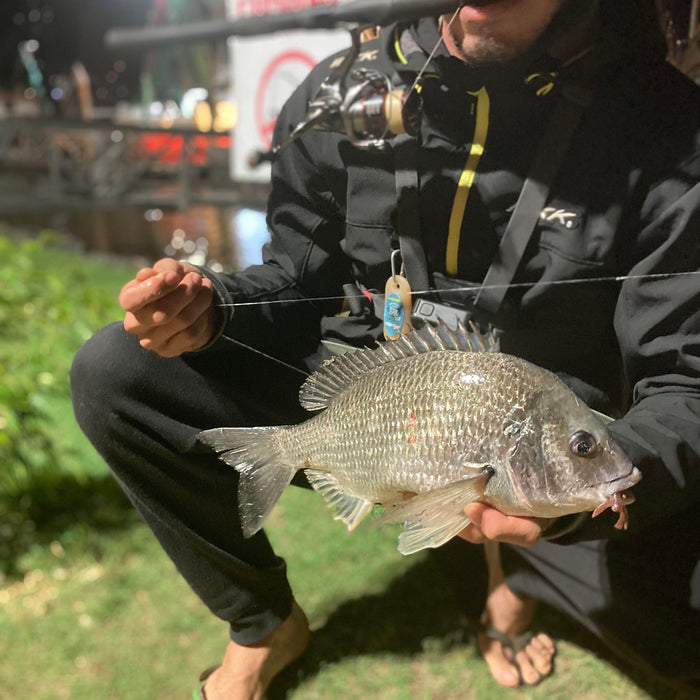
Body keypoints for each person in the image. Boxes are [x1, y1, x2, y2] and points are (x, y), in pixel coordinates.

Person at [70, 0, 700, 697]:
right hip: (369, 407)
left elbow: (686, 383)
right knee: (118, 372)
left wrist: (603, 487)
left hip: (553, 433)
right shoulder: (342, 90)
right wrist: (212, 309)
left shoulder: (669, 123)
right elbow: (296, 274)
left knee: (680, 640)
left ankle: (514, 568)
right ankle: (262, 622)